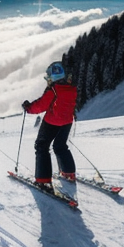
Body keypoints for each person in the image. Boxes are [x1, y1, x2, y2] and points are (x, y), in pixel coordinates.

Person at [22, 61, 77, 190]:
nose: (48, 79)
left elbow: (41, 105)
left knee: (41, 146)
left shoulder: (53, 90)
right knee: (60, 146)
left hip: (52, 122)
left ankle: (43, 180)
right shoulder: (72, 88)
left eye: (48, 76)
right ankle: (69, 172)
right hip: (67, 122)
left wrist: (28, 108)